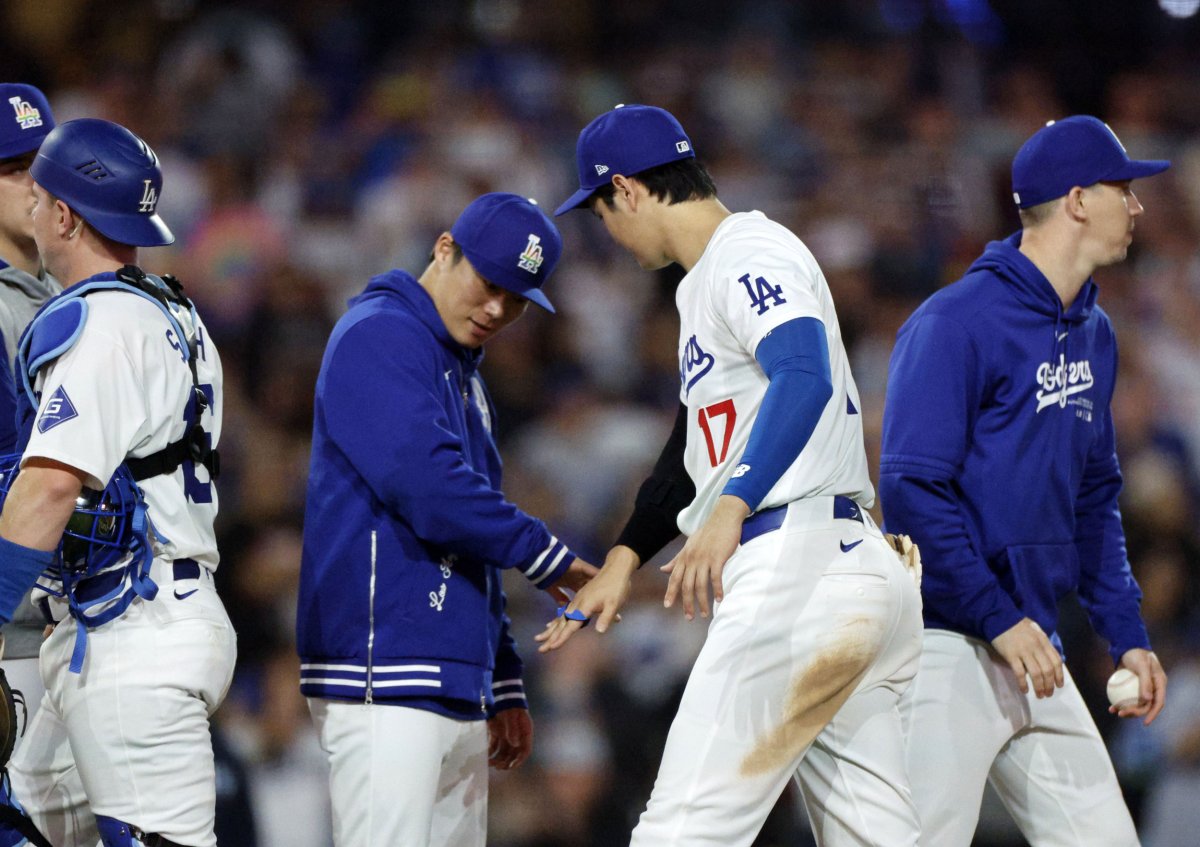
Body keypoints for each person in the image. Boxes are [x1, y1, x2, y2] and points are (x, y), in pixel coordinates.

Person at [543, 104, 923, 846]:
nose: (607, 234)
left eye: (599, 212)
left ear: (627, 189)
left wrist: (734, 501)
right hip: (846, 572)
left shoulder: (747, 248)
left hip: (797, 568)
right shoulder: (704, 283)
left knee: (681, 831)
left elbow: (803, 374)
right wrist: (624, 557)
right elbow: (691, 454)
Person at [879, 115, 1170, 845]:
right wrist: (996, 616)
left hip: (1033, 646)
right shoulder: (954, 321)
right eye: (1122, 189)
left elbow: (1094, 496)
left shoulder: (1094, 332)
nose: (1136, 206)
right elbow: (911, 490)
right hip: (943, 642)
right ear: (1076, 200)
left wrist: (1125, 629)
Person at [295, 192, 596, 847]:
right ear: (442, 248)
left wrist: (503, 677)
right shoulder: (382, 332)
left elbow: (472, 532)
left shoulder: (461, 371)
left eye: (517, 299)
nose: (497, 309)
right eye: (488, 283)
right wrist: (545, 555)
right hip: (385, 668)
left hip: (448, 673)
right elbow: (426, 486)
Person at [0, 117, 233, 847]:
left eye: (38, 197)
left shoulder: (101, 327)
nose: (31, 209)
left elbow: (47, 490)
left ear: (64, 214)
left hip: (139, 631)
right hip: (120, 625)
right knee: (26, 815)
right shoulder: (173, 309)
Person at [0, 83, 60, 764]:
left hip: (80, 627)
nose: (35, 184)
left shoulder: (76, 290)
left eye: (43, 163)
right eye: (15, 169)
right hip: (15, 636)